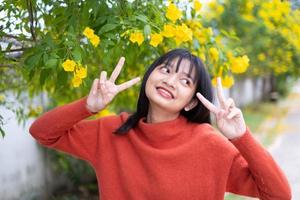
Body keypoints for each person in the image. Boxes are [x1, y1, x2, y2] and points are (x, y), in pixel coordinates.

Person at [29, 49, 291, 200]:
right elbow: (41, 132)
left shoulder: (209, 144)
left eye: (185, 81)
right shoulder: (111, 131)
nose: (170, 81)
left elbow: (279, 195)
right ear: (149, 77)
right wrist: (87, 106)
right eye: (165, 70)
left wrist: (241, 136)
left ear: (190, 103)